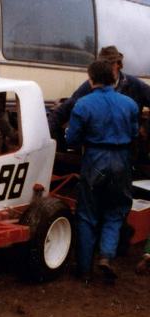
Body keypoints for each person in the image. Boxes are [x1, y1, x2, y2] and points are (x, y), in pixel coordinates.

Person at [66, 60, 139, 284]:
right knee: (115, 211)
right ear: (113, 78)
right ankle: (106, 255)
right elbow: (135, 133)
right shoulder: (129, 104)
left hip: (94, 159)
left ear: (91, 79)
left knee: (87, 214)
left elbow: (72, 139)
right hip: (121, 160)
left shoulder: (83, 104)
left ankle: (84, 270)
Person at [49, 46, 150, 151]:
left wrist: (145, 129)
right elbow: (66, 108)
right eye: (104, 64)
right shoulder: (89, 86)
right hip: (97, 150)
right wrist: (46, 130)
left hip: (128, 151)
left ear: (119, 64)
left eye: (111, 64)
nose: (107, 68)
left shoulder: (135, 85)